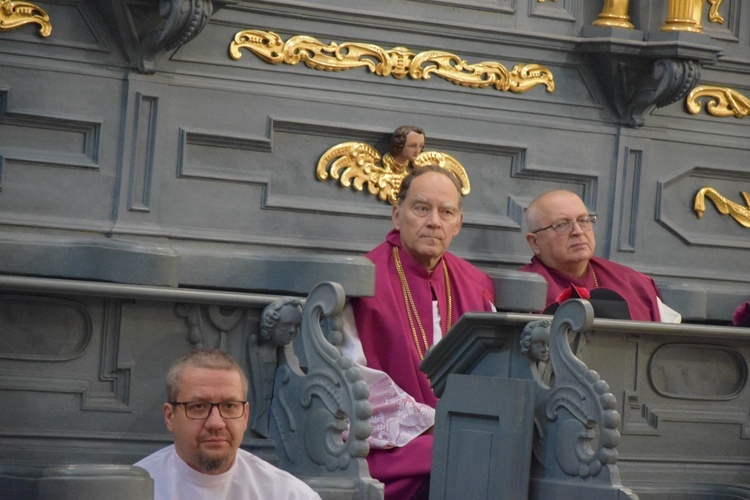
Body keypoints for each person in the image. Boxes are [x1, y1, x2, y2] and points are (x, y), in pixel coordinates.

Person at [341, 165, 496, 499]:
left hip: (466, 435)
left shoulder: (476, 284)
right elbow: (352, 374)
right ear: (398, 215)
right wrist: (431, 422)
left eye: (446, 212)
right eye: (421, 208)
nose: (434, 222)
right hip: (393, 448)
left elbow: (494, 371)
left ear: (458, 223)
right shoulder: (364, 280)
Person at [135, 348, 320, 500]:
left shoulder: (288, 495)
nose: (216, 423)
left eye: (230, 406)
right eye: (198, 406)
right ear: (170, 417)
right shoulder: (132, 490)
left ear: (245, 416)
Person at [520, 189, 680, 323]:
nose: (578, 231)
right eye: (561, 225)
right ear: (535, 243)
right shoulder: (521, 290)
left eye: (583, 220)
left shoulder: (634, 284)